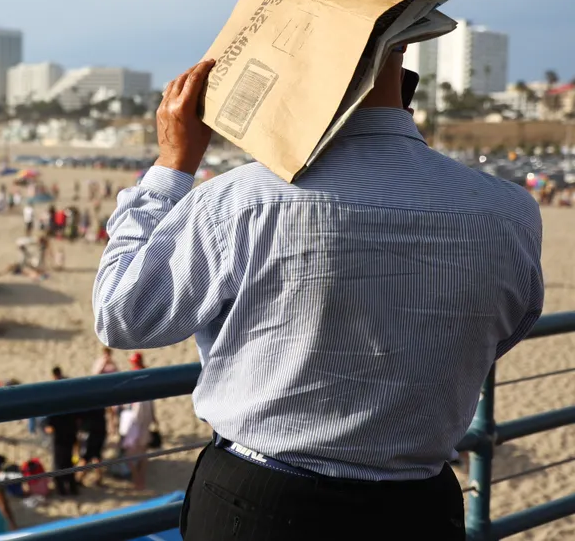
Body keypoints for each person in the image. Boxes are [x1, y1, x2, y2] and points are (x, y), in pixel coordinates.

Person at [93, 57, 543, 540]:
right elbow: (502, 330)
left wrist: (171, 166)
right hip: (420, 505)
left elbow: (121, 315)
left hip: (262, 499)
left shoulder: (242, 199)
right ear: (401, 58)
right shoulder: (509, 212)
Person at [118, 353, 156, 490]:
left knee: (129, 454)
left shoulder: (134, 375)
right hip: (145, 420)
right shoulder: (147, 374)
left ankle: (136, 479)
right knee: (143, 453)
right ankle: (141, 479)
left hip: (136, 421)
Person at [42, 367, 80, 496]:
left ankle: (63, 490)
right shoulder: (70, 396)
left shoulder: (55, 399)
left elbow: (49, 422)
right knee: (68, 462)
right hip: (69, 433)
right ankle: (72, 488)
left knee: (59, 464)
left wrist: (47, 427)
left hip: (60, 436)